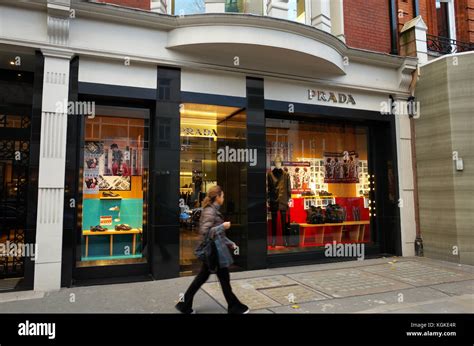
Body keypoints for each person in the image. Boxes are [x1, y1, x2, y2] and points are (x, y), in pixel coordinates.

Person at [175, 185, 249, 314]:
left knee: (206, 278)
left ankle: (184, 305)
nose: (224, 198)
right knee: (221, 279)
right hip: (214, 252)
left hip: (216, 250)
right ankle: (234, 307)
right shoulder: (210, 211)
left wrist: (230, 243)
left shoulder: (213, 210)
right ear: (218, 197)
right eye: (223, 196)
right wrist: (223, 226)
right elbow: (206, 232)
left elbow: (217, 235)